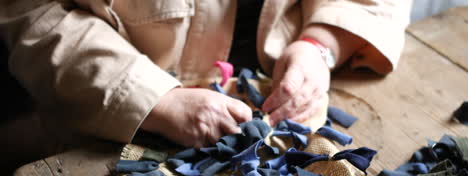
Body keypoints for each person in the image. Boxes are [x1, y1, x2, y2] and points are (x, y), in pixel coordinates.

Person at [0, 0, 412, 149]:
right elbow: (33, 14)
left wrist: (321, 42)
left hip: (288, 82)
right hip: (110, 115)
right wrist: (157, 101)